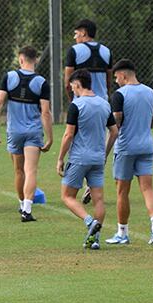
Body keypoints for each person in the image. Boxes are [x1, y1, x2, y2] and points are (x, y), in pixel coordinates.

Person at [0, 46, 53, 223]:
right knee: (31, 170)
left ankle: (21, 203)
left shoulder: (9, 77)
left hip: (14, 131)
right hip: (33, 132)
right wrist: (50, 137)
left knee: (19, 170)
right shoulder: (41, 82)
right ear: (36, 60)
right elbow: (46, 112)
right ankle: (27, 208)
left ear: (21, 59)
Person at [57, 70, 118, 249]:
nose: (72, 90)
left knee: (67, 196)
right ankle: (95, 239)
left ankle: (90, 221)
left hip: (79, 158)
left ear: (77, 84)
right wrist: (104, 153)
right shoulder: (104, 104)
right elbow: (114, 132)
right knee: (98, 199)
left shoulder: (77, 105)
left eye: (72, 86)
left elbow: (69, 134)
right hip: (98, 159)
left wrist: (60, 158)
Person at [108, 59, 153, 245]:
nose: (116, 81)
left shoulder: (119, 95)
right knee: (148, 189)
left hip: (126, 148)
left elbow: (116, 124)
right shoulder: (151, 93)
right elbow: (152, 123)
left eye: (116, 77)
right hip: (146, 146)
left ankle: (122, 232)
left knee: (122, 191)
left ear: (123, 75)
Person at [63, 18, 113, 100]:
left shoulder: (74, 51)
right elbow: (108, 82)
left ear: (83, 33)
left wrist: (72, 101)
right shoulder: (107, 51)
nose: (74, 37)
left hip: (81, 103)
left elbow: (67, 84)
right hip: (102, 103)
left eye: (76, 33)